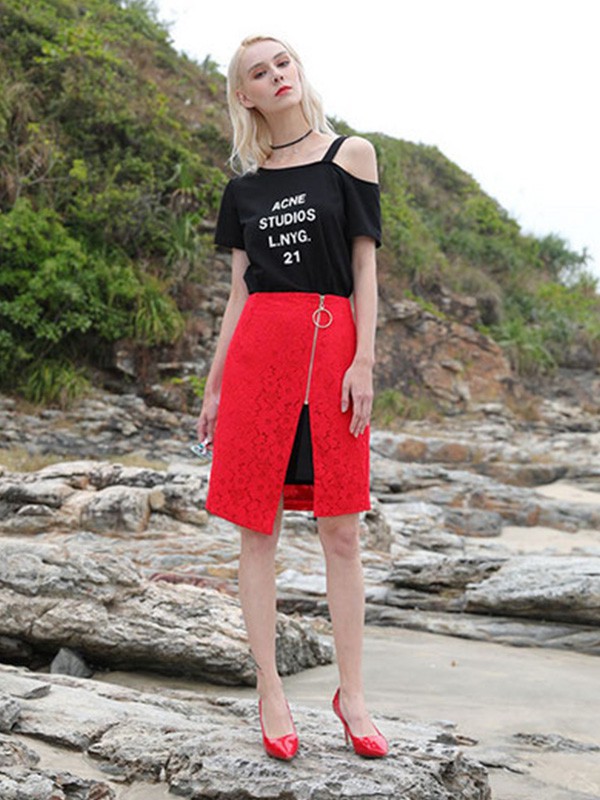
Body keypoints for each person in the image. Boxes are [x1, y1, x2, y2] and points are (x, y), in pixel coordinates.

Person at [196, 34, 388, 761]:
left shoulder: (351, 157)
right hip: (259, 357)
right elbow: (238, 294)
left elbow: (364, 270)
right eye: (259, 71)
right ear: (243, 95)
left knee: (342, 530)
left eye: (283, 63)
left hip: (334, 350)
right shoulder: (243, 189)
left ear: (298, 71)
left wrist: (364, 359)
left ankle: (352, 695)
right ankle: (270, 689)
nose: (277, 75)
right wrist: (215, 384)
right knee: (258, 526)